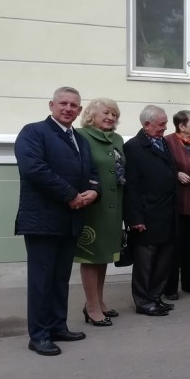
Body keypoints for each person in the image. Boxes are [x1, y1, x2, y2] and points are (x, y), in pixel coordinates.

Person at [15, 87, 99, 355]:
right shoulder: (33, 132)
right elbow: (34, 169)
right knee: (42, 279)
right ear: (51, 105)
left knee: (60, 277)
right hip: (42, 219)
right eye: (63, 103)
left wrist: (94, 191)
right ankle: (38, 335)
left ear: (80, 110)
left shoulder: (80, 139)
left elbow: (93, 172)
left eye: (74, 105)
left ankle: (57, 326)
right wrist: (70, 195)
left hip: (70, 219)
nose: (68, 108)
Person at [75, 98, 125, 327]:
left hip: (114, 207)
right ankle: (91, 307)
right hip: (92, 207)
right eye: (106, 113)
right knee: (90, 257)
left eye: (114, 114)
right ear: (91, 114)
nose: (110, 117)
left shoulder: (117, 139)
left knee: (104, 256)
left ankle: (100, 301)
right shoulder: (80, 136)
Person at [124, 105, 178, 316]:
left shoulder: (162, 142)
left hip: (166, 213)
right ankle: (143, 301)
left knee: (163, 261)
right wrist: (135, 217)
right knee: (145, 264)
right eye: (162, 124)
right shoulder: (134, 147)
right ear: (147, 124)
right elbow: (132, 186)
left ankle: (155, 296)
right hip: (146, 216)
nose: (165, 128)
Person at [164, 110, 190, 299]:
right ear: (181, 126)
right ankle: (170, 286)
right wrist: (175, 174)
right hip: (177, 203)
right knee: (175, 246)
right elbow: (162, 167)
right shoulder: (168, 142)